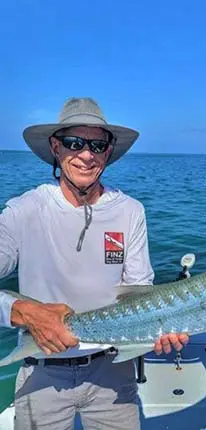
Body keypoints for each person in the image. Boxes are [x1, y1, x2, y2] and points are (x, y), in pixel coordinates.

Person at [0, 97, 189, 429]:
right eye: (75, 143)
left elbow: (139, 292)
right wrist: (24, 312)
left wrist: (161, 328)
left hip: (112, 371)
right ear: (56, 148)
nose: (87, 155)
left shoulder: (130, 211)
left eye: (97, 145)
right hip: (42, 368)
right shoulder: (23, 211)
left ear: (109, 152)